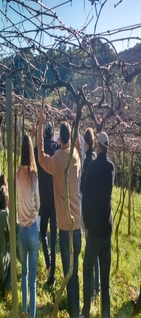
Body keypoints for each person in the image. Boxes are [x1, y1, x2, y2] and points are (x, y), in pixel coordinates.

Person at [37, 108, 81, 318]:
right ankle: (78, 310)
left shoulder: (57, 160)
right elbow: (76, 147)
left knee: (69, 273)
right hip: (79, 226)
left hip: (66, 228)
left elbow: (40, 157)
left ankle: (74, 313)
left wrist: (39, 126)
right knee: (76, 272)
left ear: (59, 138)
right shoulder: (76, 156)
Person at [81, 132, 114, 318]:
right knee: (106, 280)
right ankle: (106, 315)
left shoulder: (92, 167)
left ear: (98, 147)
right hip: (106, 231)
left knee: (87, 271)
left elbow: (86, 199)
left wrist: (86, 223)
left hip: (93, 231)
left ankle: (86, 311)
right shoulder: (111, 168)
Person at [33, 121, 59, 286]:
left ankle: (49, 265)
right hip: (55, 198)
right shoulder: (56, 148)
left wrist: (36, 135)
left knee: (42, 232)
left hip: (44, 199)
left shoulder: (39, 152)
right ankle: (53, 270)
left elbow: (35, 149)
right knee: (54, 235)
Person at [16, 134, 39, 318]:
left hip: (21, 229)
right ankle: (32, 315)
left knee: (23, 274)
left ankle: (23, 309)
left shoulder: (17, 175)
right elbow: (37, 202)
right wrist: (35, 209)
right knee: (33, 279)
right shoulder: (33, 175)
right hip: (32, 227)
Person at [80, 128, 100, 303]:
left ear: (87, 143)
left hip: (90, 213)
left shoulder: (88, 161)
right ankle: (98, 286)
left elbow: (85, 189)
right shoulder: (94, 158)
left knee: (90, 250)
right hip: (97, 212)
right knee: (96, 250)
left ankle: (92, 291)